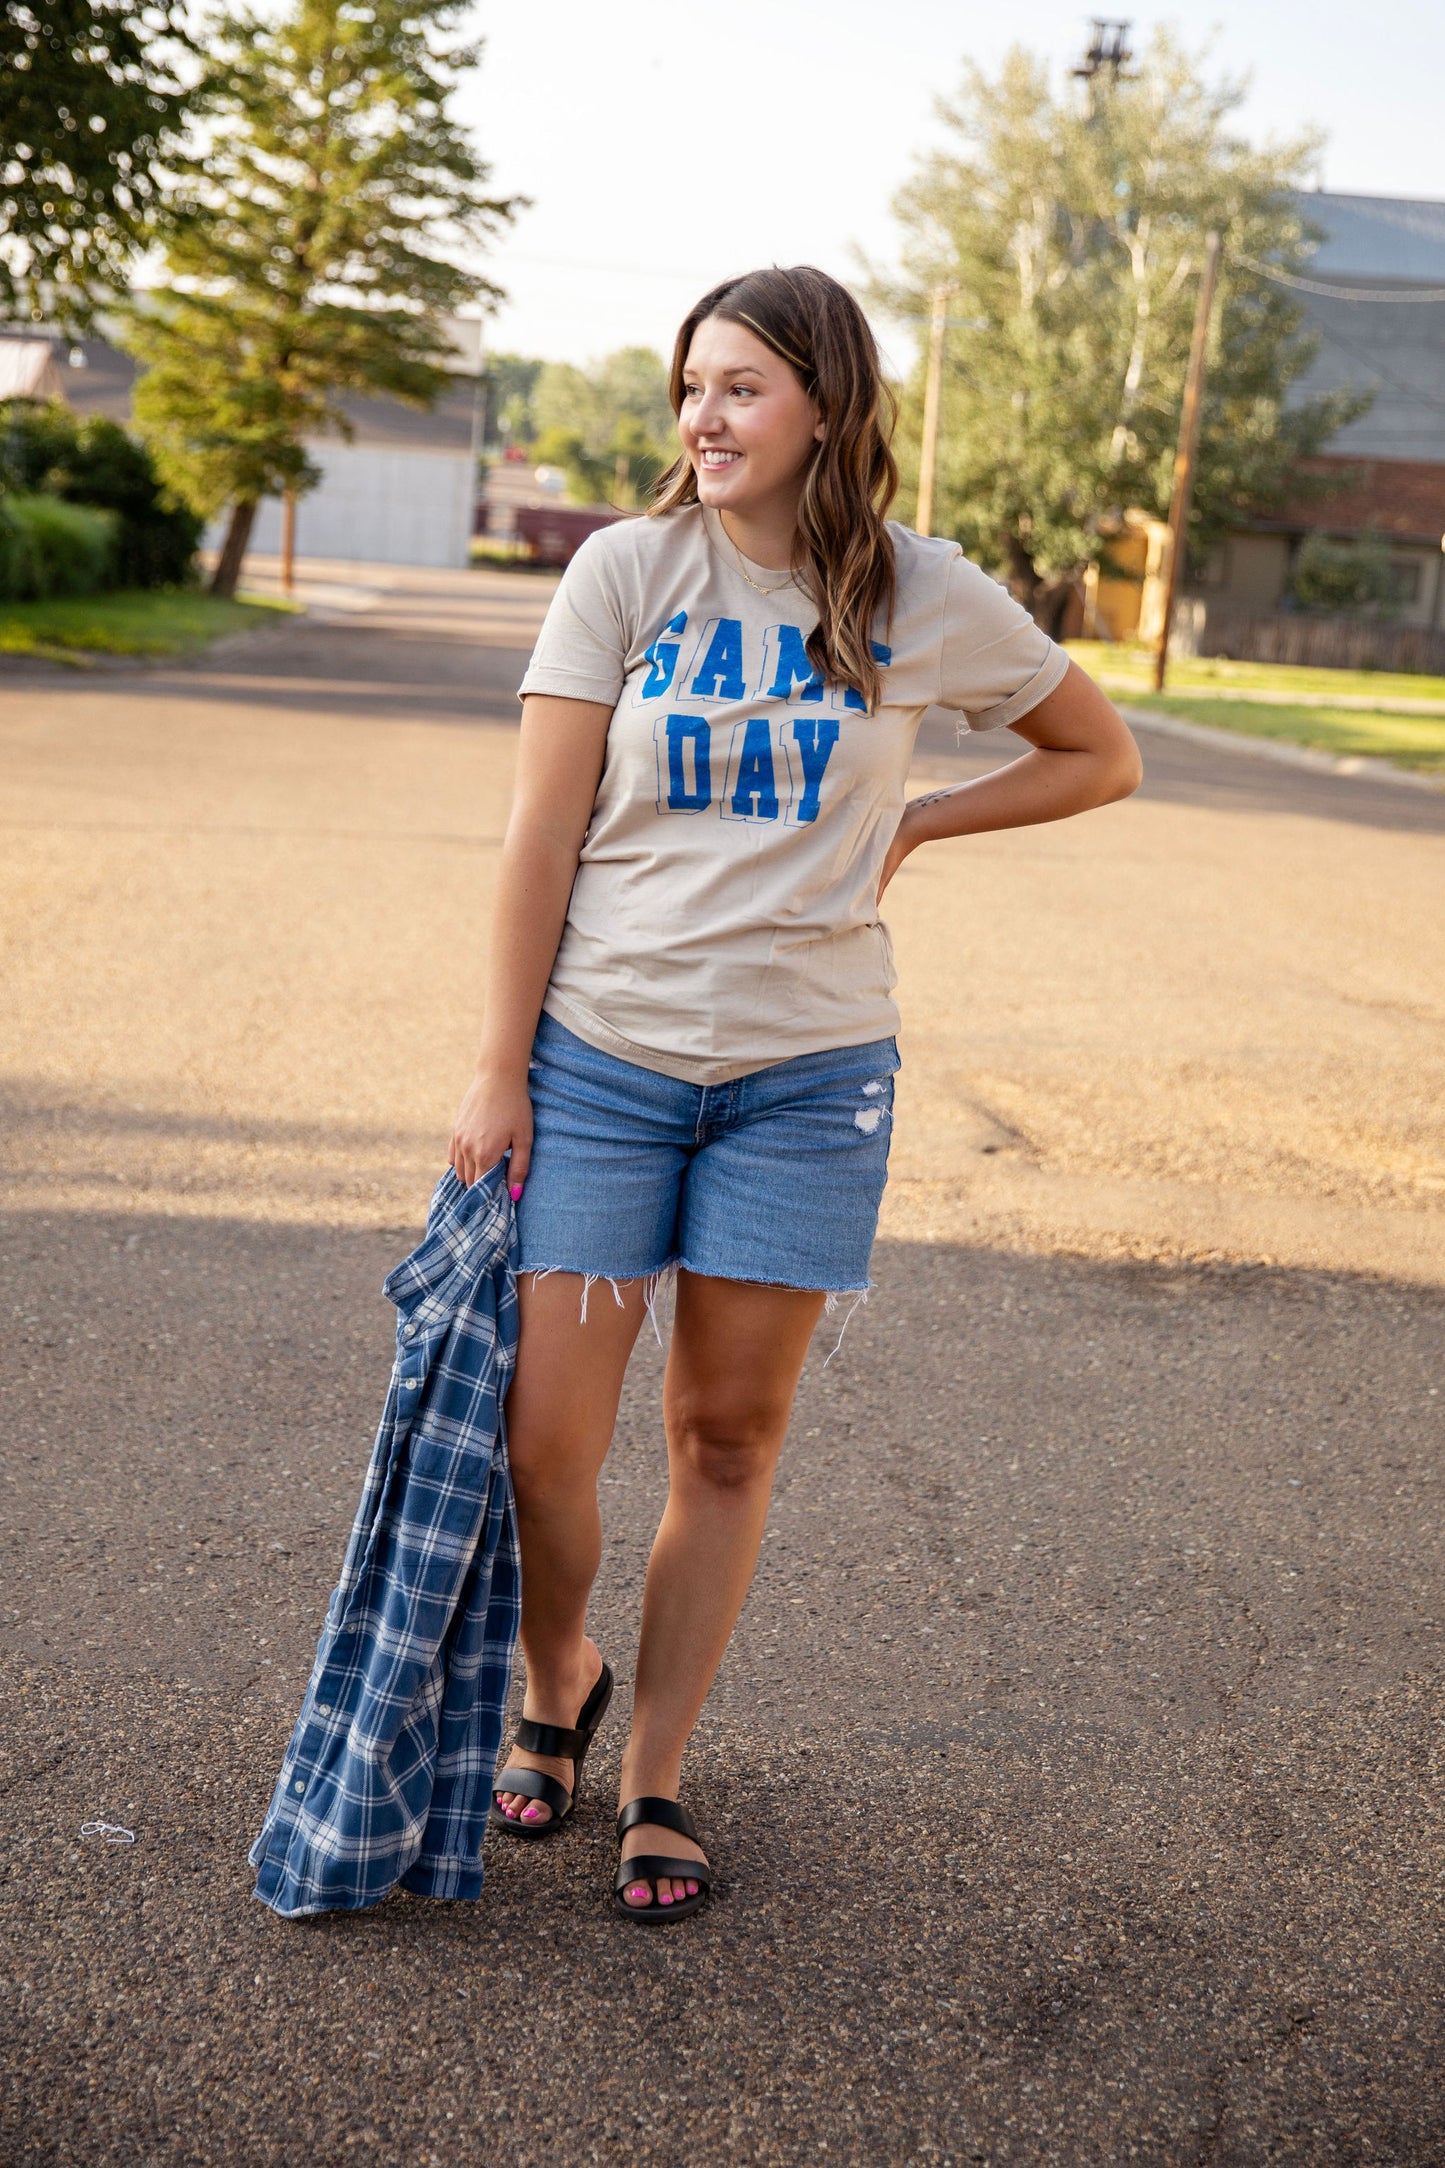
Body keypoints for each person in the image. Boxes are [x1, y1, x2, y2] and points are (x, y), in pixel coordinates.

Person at [448, 265, 1141, 1924]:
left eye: (741, 386)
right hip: (600, 1063)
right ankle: (561, 1670)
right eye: (691, 385)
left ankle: (657, 1771)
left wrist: (914, 822)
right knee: (546, 1448)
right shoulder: (627, 571)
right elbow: (538, 836)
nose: (703, 414)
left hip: (806, 1080)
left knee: (726, 1439)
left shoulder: (919, 593)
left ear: (825, 404)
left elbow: (1095, 755)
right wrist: (498, 1067)